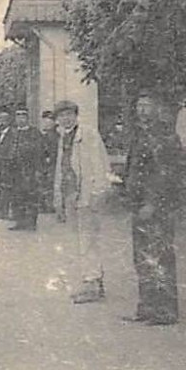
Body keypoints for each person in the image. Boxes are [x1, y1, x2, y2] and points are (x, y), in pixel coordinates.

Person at [124, 94, 181, 324]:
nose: (142, 110)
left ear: (158, 108)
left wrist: (152, 202)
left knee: (160, 256)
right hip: (139, 205)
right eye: (139, 105)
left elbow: (164, 174)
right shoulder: (140, 134)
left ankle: (165, 311)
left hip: (157, 207)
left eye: (147, 106)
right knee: (142, 257)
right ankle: (147, 307)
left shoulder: (165, 135)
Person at [50, 99, 112, 303]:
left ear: (76, 115)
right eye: (61, 115)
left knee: (88, 241)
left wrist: (98, 193)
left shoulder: (88, 135)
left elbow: (101, 165)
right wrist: (58, 197)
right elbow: (61, 168)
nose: (66, 118)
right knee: (78, 242)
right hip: (71, 195)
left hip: (87, 196)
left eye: (69, 114)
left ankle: (92, 284)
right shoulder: (63, 138)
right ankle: (92, 281)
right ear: (57, 119)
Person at [0, 107, 43, 230]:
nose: (20, 119)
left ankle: (31, 222)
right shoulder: (11, 133)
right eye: (18, 117)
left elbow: (40, 152)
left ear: (28, 118)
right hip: (14, 171)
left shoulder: (35, 133)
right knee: (16, 196)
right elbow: (3, 149)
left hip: (30, 170)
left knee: (31, 196)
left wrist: (38, 169)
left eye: (23, 116)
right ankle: (19, 222)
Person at [38, 109, 58, 216]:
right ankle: (45, 204)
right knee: (44, 183)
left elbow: (53, 151)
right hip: (43, 164)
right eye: (45, 121)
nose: (46, 123)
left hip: (51, 164)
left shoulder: (55, 136)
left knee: (50, 183)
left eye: (49, 121)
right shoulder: (44, 135)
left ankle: (49, 205)